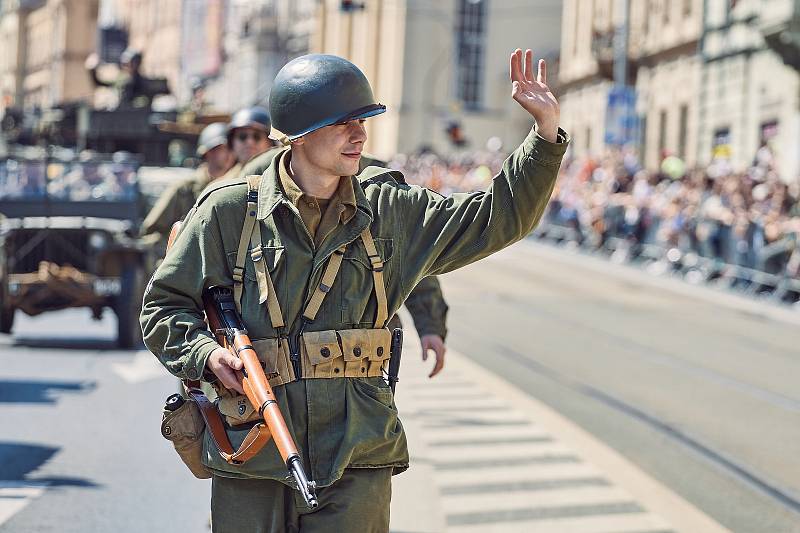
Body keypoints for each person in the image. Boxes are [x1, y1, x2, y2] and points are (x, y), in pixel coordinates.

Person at [141, 49, 567, 532]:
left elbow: (495, 218)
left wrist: (545, 134)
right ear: (299, 133)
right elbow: (162, 306)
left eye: (362, 119)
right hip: (252, 446)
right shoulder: (229, 212)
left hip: (357, 450)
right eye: (343, 122)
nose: (360, 133)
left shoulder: (389, 210)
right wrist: (204, 356)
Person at [241, 149, 449, 376]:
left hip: (359, 345)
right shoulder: (260, 173)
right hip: (283, 351)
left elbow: (406, 253)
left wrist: (430, 325)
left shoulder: (373, 175)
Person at [140, 122, 238, 255]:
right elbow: (150, 233)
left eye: (230, 148)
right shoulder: (183, 190)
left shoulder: (234, 189)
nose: (228, 154)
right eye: (222, 148)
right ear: (208, 152)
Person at [85, 48, 169, 109]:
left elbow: (143, 102)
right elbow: (100, 84)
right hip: (120, 116)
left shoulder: (142, 83)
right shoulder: (122, 79)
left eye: (129, 64)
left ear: (136, 64)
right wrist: (91, 71)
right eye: (124, 64)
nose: (126, 67)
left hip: (134, 119)